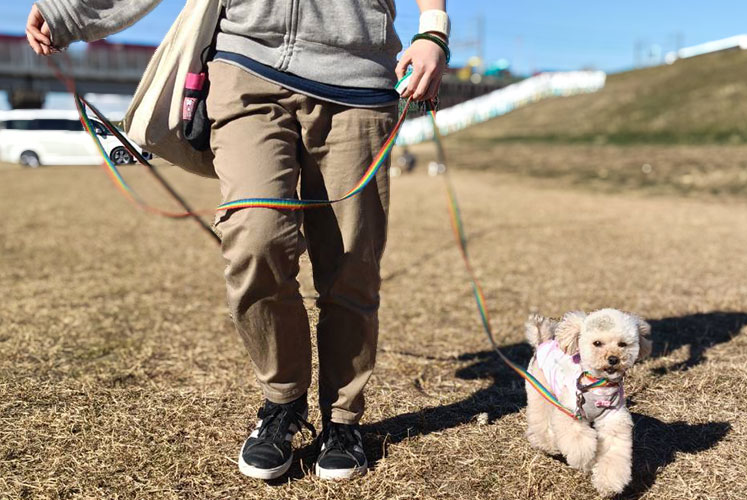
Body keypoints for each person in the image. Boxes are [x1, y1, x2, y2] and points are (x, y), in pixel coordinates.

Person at [26, 0, 448, 481]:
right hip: (247, 68)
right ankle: (284, 402)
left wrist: (433, 31)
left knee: (352, 264)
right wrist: (69, 13)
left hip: (358, 81)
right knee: (255, 239)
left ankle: (343, 420)